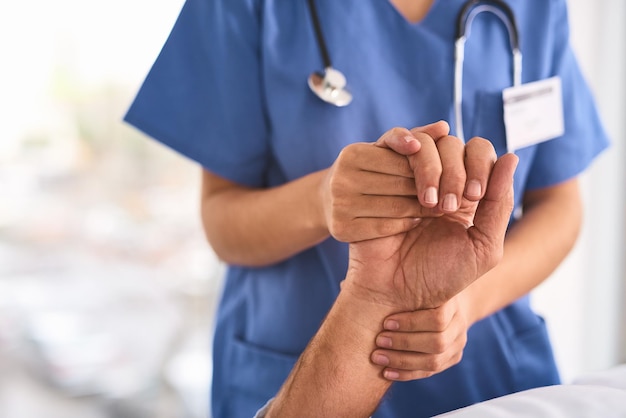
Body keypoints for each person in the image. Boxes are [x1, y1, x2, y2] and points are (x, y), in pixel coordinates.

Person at [124, 0, 609, 416]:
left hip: (488, 369)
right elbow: (222, 223)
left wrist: (464, 304)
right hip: (298, 366)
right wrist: (320, 200)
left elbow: (560, 206)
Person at [260, 150, 519, 417]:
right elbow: (219, 211)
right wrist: (319, 198)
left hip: (497, 365)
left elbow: (558, 201)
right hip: (297, 342)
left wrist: (468, 297)